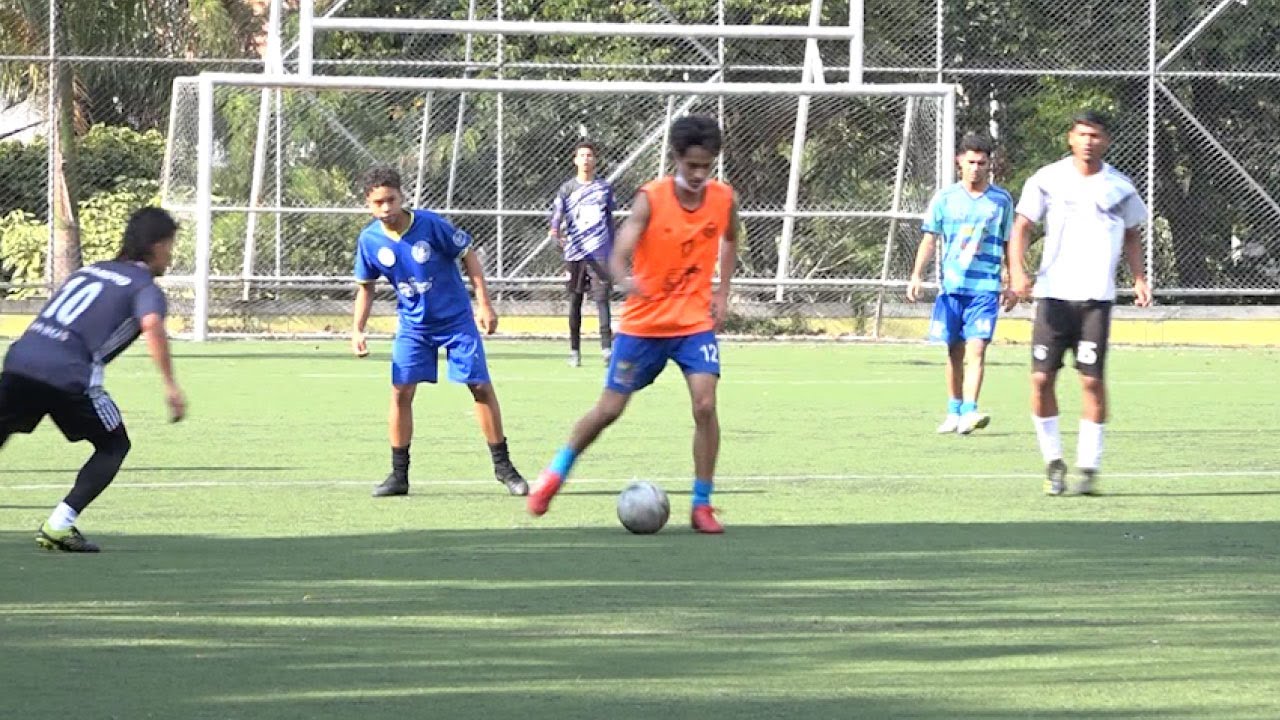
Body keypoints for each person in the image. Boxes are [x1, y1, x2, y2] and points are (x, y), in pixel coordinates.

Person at [527, 115, 741, 534]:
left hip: (693, 321)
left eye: (706, 166)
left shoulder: (723, 198)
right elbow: (617, 255)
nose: (699, 174)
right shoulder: (651, 198)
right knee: (608, 410)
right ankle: (554, 474)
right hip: (644, 325)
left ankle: (702, 504)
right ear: (676, 159)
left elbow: (732, 237)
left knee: (705, 404)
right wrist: (627, 280)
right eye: (691, 165)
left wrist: (722, 291)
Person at [0, 207, 187, 552]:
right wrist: (171, 387)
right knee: (114, 445)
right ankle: (59, 525)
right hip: (70, 374)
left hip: (20, 360)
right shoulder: (144, 287)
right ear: (157, 245)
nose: (171, 255)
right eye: (170, 245)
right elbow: (152, 325)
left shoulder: (91, 271)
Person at [351, 167, 528, 498]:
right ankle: (398, 475)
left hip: (456, 321)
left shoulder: (431, 225)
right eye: (378, 202)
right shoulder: (370, 240)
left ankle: (504, 468)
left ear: (402, 197)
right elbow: (366, 287)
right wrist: (357, 329)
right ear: (368, 204)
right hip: (413, 327)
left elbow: (469, 256)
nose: (386, 208)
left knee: (479, 387)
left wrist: (484, 305)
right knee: (401, 392)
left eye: (391, 200)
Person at [1007, 110, 1152, 496]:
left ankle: (1089, 466)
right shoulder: (1048, 178)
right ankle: (1053, 462)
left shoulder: (1120, 186)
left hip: (1095, 300)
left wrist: (1139, 278)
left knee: (1091, 381)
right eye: (1081, 134)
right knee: (1040, 379)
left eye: (1096, 135)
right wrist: (1018, 273)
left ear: (1106, 141)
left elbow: (1133, 235)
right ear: (1070, 138)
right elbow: (1021, 226)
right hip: (1053, 296)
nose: (1088, 141)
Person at [907, 133, 1015, 435]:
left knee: (977, 349)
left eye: (982, 163)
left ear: (989, 164)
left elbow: (1009, 242)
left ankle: (970, 411)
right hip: (952, 287)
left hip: (985, 289)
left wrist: (1011, 280)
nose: (976, 168)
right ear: (959, 162)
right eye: (971, 162)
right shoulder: (944, 198)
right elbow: (929, 238)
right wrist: (916, 274)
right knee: (954, 352)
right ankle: (954, 410)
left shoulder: (1001, 200)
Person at [549, 141, 616, 367]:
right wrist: (555, 232)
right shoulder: (567, 189)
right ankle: (574, 351)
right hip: (576, 252)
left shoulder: (604, 188)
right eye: (582, 155)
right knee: (575, 301)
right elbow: (558, 214)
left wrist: (613, 249)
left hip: (599, 252)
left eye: (589, 155)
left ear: (594, 160)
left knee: (602, 300)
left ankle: (607, 349)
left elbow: (609, 219)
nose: (586, 159)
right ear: (575, 160)